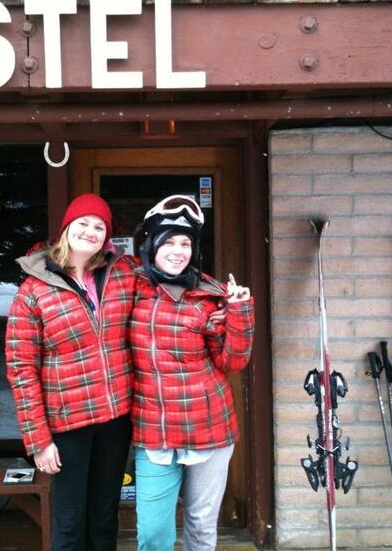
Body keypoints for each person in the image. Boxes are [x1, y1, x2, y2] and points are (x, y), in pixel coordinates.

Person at [5, 193, 136, 551]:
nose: (90, 231)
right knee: (69, 524)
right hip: (67, 426)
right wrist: (39, 440)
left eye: (99, 227)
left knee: (104, 519)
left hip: (115, 420)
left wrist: (224, 303)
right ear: (66, 229)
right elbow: (21, 368)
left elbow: (168, 281)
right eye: (83, 223)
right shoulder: (34, 289)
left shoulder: (122, 274)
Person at [130, 195, 255, 551]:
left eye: (185, 244)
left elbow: (232, 363)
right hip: (154, 430)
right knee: (153, 531)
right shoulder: (130, 287)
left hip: (209, 427)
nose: (177, 251)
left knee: (201, 527)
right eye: (168, 242)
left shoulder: (210, 295)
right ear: (151, 245)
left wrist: (239, 311)